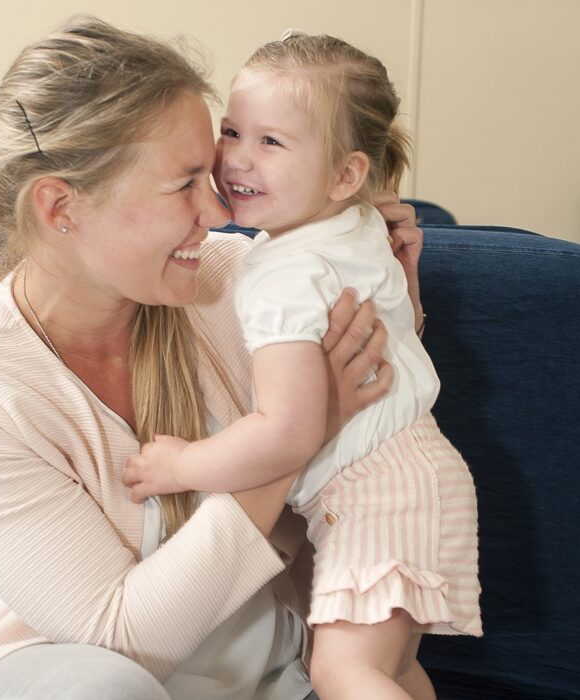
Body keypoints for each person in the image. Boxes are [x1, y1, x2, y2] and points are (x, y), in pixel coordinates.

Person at [0, 16, 424, 700]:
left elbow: (378, 413)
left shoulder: (248, 281)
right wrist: (299, 431)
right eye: (183, 184)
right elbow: (117, 637)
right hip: (64, 671)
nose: (215, 209)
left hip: (270, 669)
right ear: (61, 205)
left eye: (211, 174)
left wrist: (381, 283)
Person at [125, 31, 482, 700]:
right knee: (388, 670)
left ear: (345, 174)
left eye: (272, 142)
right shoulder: (352, 223)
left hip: (377, 493)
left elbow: (286, 431)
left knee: (342, 672)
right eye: (232, 131)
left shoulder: (283, 273)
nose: (235, 159)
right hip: (415, 479)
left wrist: (179, 466)